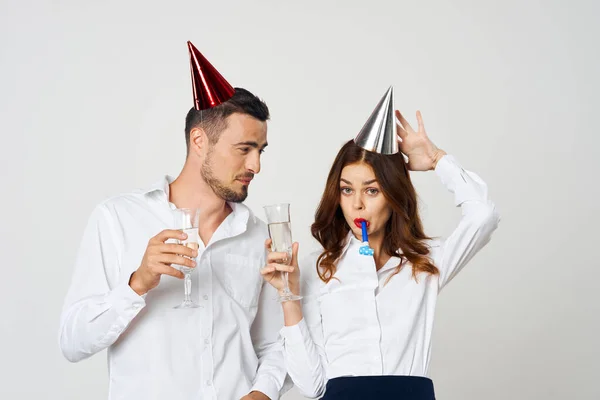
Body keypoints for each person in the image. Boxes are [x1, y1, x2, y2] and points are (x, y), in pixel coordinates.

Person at [59, 42, 288, 400]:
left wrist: (262, 393)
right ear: (199, 141)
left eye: (260, 151)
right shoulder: (119, 219)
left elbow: (274, 343)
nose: (256, 166)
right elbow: (73, 342)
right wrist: (138, 283)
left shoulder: (257, 235)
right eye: (244, 149)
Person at [260, 87, 500, 399]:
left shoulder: (425, 263)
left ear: (393, 194)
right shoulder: (317, 269)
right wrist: (289, 297)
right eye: (347, 190)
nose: (357, 204)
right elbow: (312, 385)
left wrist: (436, 159)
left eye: (371, 190)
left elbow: (483, 215)